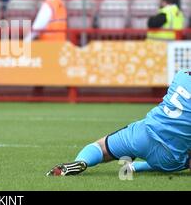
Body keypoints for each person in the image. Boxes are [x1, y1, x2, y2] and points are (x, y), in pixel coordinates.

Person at [47, 69, 191, 176]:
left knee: (101, 147)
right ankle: (138, 167)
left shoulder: (181, 76)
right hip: (170, 156)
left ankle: (82, 161)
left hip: (143, 133)